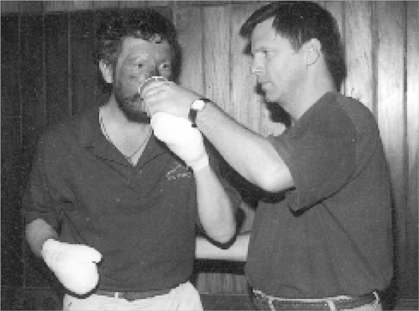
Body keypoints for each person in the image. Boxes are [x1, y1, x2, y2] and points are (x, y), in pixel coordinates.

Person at [142, 2, 393, 311]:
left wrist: (195, 106)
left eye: (266, 53)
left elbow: (270, 173)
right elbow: (268, 249)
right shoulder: (300, 140)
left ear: (311, 52)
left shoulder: (342, 117)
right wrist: (175, 247)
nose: (254, 67)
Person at [21, 9, 239, 311]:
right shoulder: (63, 140)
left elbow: (224, 231)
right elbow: (37, 217)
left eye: (163, 66)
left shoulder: (189, 136)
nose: (153, 79)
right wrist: (53, 251)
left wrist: (199, 160)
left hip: (175, 300)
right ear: (108, 70)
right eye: (139, 65)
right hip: (94, 303)